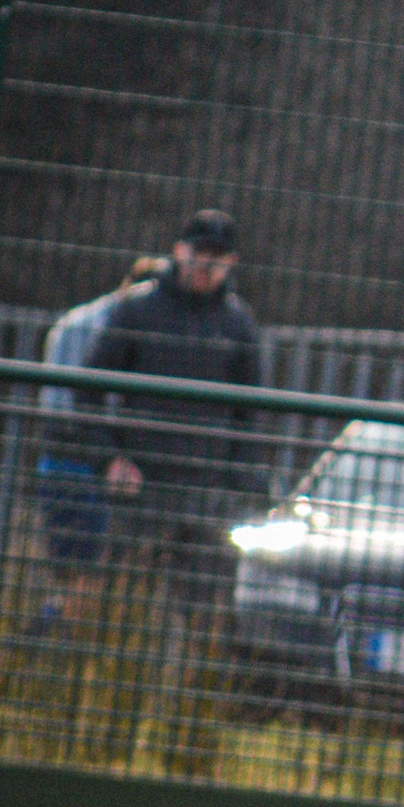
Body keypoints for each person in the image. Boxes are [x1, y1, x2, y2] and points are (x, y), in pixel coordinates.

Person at [83, 210, 265, 772]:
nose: (204, 263)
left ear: (229, 262)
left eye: (216, 255)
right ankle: (104, 752)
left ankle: (186, 760)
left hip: (208, 504)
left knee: (206, 633)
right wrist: (109, 458)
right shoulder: (136, 310)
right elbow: (87, 394)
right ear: (178, 251)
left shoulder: (238, 325)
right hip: (142, 496)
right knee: (123, 627)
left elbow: (250, 421)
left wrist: (240, 491)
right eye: (197, 251)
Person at [32, 253, 164, 632]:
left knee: (78, 572)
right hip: (86, 464)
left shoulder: (76, 321)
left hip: (61, 459)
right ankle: (58, 634)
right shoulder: (105, 326)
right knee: (90, 572)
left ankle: (56, 630)